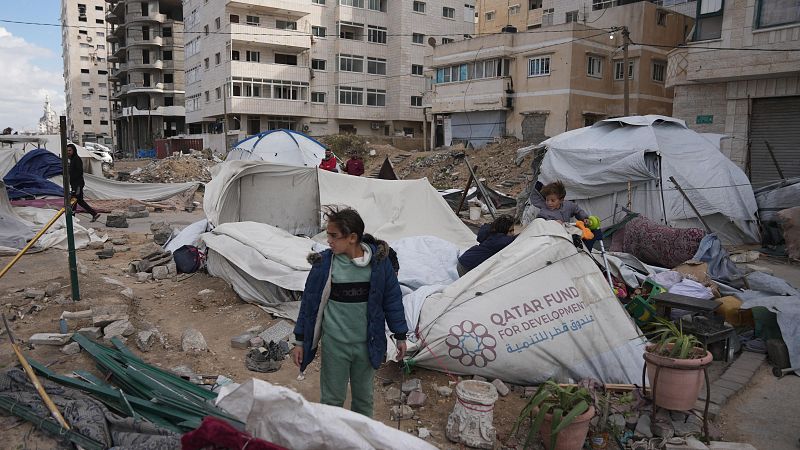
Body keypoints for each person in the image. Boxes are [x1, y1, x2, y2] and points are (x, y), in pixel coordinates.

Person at [291, 206, 408, 418]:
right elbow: (308, 305)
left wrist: (400, 335)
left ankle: (361, 438)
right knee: (332, 400)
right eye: (328, 235)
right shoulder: (324, 264)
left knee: (363, 401)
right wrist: (300, 341)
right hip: (335, 346)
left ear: (352, 237)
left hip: (367, 345)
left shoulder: (379, 265)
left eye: (334, 236)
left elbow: (392, 300)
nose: (329, 241)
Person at [66, 143, 100, 222]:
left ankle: (72, 219)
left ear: (74, 151)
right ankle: (94, 214)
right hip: (75, 184)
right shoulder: (72, 160)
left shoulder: (76, 159)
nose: (68, 152)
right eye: (67, 150)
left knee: (73, 200)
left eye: (70, 150)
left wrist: (74, 180)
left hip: (77, 184)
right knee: (78, 201)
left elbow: (79, 172)